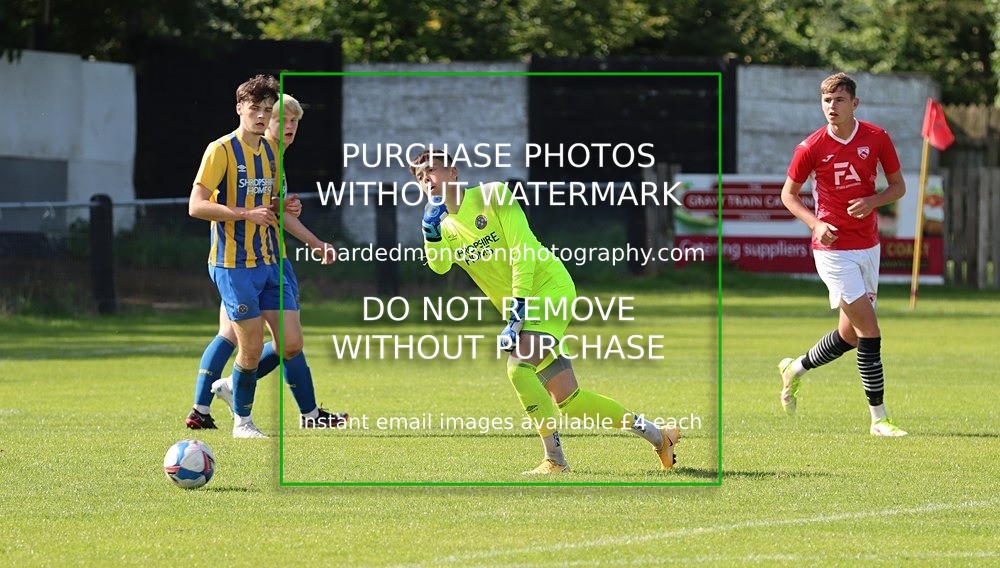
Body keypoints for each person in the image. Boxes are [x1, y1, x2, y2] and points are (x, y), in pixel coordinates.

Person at [410, 149, 680, 474]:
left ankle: (555, 460)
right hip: (523, 308)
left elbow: (523, 253)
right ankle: (659, 436)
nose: (427, 180)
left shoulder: (493, 195)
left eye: (432, 171)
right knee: (570, 401)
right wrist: (430, 233)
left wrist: (516, 313)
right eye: (420, 177)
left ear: (453, 172)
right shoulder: (444, 225)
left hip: (549, 290)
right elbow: (440, 266)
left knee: (518, 369)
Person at [187, 76, 340, 438]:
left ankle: (232, 390)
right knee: (249, 345)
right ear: (239, 108)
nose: (261, 116)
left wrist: (300, 225)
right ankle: (242, 422)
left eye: (267, 110)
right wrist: (246, 214)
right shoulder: (220, 150)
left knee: (291, 343)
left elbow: (272, 207)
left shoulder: (271, 154)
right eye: (255, 109)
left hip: (270, 261)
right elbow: (196, 206)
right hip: (234, 265)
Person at [778, 72, 908, 437]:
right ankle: (879, 419)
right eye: (826, 100)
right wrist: (815, 223)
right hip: (833, 251)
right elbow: (788, 195)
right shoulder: (811, 146)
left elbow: (898, 187)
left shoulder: (877, 137)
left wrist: (873, 200)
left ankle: (794, 369)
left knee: (849, 336)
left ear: (854, 103)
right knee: (870, 330)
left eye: (838, 100)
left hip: (868, 246)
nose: (831, 107)